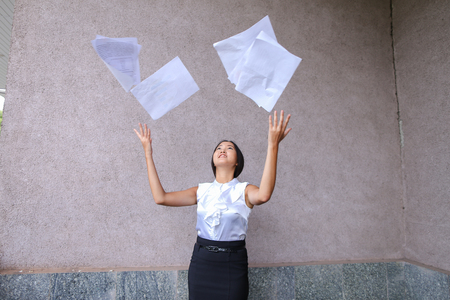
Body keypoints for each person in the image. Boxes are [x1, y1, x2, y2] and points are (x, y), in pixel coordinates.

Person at [134, 110, 291, 300]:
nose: (222, 149)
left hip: (232, 264)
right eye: (218, 148)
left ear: (237, 162)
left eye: (229, 148)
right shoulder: (201, 191)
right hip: (202, 262)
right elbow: (161, 198)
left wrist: (272, 144)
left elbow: (264, 194)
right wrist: (148, 154)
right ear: (213, 160)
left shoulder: (245, 190)